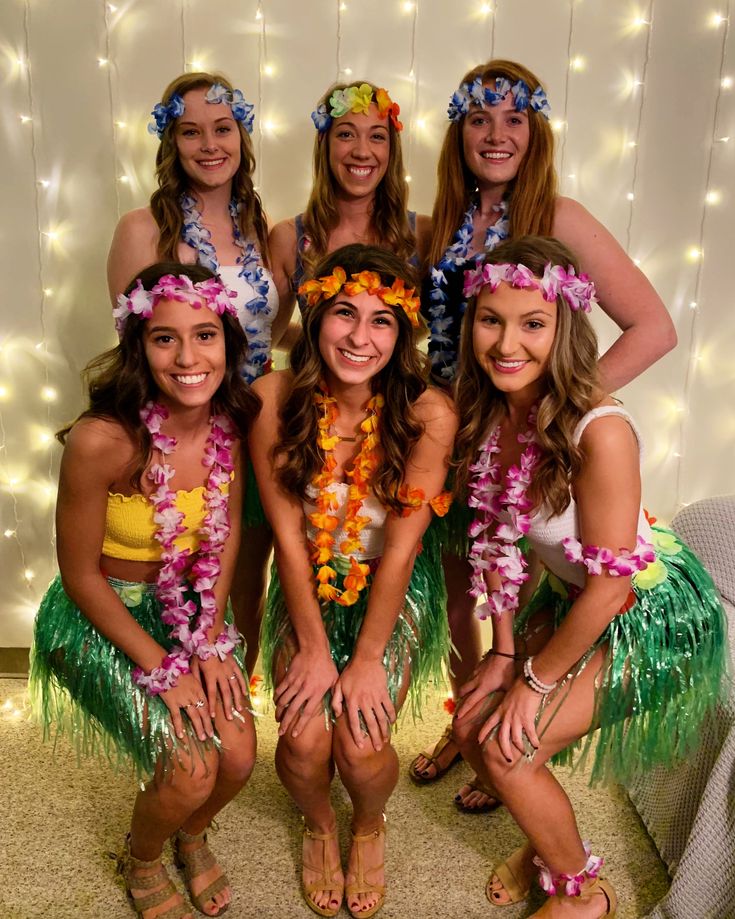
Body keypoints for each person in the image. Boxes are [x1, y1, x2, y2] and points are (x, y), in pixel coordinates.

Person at [410, 58, 678, 811]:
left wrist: (557, 409)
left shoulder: (557, 216)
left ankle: (513, 727)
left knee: (525, 584)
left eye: (513, 118)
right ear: (457, 132)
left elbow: (653, 328)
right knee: (468, 593)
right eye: (477, 118)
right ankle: (468, 720)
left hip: (524, 443)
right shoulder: (441, 224)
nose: (495, 134)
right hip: (463, 440)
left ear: (537, 132)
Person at [449, 235, 726, 917]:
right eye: (491, 319)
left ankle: (581, 893)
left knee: (508, 751)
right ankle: (547, 842)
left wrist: (534, 682)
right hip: (576, 594)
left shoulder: (599, 430)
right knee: (469, 728)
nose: (506, 344)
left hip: (650, 614)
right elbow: (497, 545)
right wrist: (504, 653)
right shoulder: (491, 412)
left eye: (532, 323)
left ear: (565, 327)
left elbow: (614, 587)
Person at [31, 264, 260, 919]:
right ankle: (143, 855)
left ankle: (188, 835)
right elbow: (79, 576)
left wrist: (211, 639)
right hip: (100, 615)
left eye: (204, 335)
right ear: (138, 345)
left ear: (227, 343)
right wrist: (161, 666)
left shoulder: (228, 427)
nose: (188, 357)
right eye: (165, 338)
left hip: (187, 610)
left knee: (239, 757)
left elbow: (223, 546)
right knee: (190, 769)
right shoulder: (102, 440)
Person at [250, 244, 456, 918]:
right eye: (345, 313)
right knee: (305, 742)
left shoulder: (429, 413)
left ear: (402, 335)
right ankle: (317, 823)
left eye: (381, 321)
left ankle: (366, 823)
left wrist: (366, 659)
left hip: (388, 587)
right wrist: (311, 647)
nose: (359, 337)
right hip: (305, 577)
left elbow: (399, 552)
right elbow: (284, 534)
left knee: (362, 750)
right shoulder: (272, 398)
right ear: (315, 315)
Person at [107, 71, 276, 676]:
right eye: (190, 132)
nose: (210, 145)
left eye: (223, 129)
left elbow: (262, 325)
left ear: (242, 136)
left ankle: (237, 694)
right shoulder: (142, 230)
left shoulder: (258, 228)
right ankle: (176, 701)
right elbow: (134, 345)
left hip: (253, 425)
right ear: (169, 142)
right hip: (183, 429)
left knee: (248, 572)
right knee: (182, 570)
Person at [268, 80, 432, 348]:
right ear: (325, 142)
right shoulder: (288, 238)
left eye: (377, 136)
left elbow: (444, 327)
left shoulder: (423, 234)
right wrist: (326, 352)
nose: (362, 151)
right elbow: (268, 337)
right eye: (346, 134)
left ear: (392, 149)